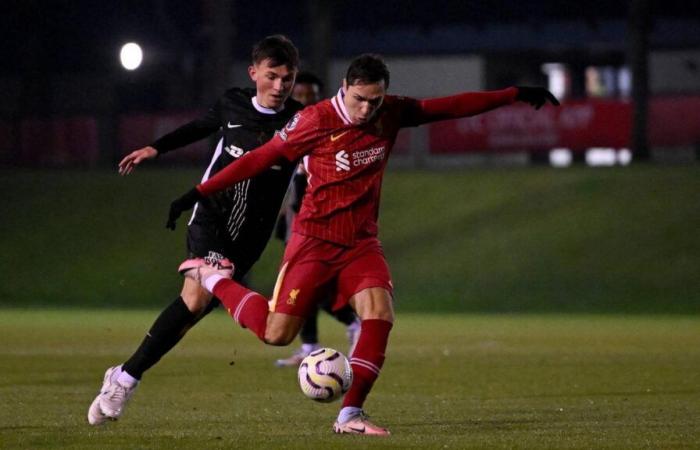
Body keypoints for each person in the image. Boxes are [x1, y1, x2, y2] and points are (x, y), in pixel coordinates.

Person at [166, 54, 559, 435]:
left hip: (360, 243)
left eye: (375, 100)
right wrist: (198, 192)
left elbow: (451, 106)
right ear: (344, 88)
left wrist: (512, 94)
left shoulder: (391, 111)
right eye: (360, 99)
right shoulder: (313, 120)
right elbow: (258, 158)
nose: (366, 109)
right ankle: (210, 277)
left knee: (380, 314)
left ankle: (350, 414)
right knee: (276, 334)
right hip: (313, 243)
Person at [87, 35, 303, 426]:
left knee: (196, 304)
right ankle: (126, 380)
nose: (278, 86)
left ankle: (122, 375)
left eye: (287, 79)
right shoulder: (232, 103)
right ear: (254, 72)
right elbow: (199, 127)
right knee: (197, 294)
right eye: (271, 76)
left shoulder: (300, 121)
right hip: (213, 215)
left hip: (250, 235)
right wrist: (156, 148)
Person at [274, 71, 360, 368]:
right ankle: (311, 344)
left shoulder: (326, 125)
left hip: (316, 217)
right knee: (301, 285)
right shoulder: (289, 124)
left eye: (310, 95)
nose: (304, 100)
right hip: (294, 214)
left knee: (309, 284)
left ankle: (351, 322)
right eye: (299, 95)